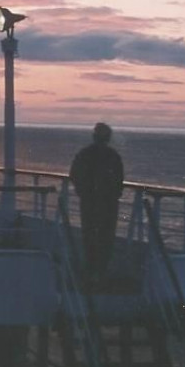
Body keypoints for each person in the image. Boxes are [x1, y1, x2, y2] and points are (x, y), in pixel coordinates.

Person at [68, 122, 125, 290]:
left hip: (90, 202)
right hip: (108, 204)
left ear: (94, 137)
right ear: (108, 138)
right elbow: (119, 180)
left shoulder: (85, 154)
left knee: (90, 236)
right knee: (106, 238)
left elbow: (74, 174)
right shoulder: (113, 156)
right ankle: (100, 273)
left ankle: (91, 272)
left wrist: (82, 191)